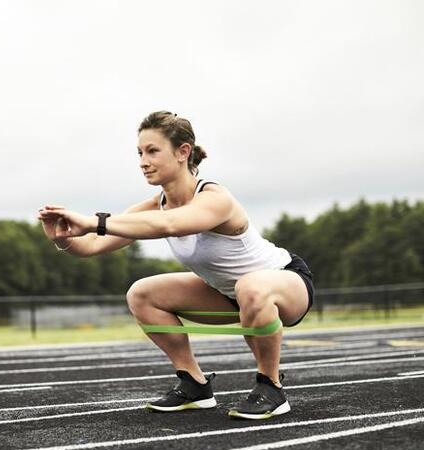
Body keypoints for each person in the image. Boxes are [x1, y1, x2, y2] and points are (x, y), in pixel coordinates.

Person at [37, 111, 314, 420]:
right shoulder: (154, 206)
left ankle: (271, 386)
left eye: (153, 151)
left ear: (183, 152)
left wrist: (94, 221)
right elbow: (91, 246)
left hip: (285, 282)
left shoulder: (215, 197)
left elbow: (171, 224)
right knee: (142, 293)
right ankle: (194, 384)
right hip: (228, 293)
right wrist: (63, 238)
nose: (143, 160)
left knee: (250, 285)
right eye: (140, 152)